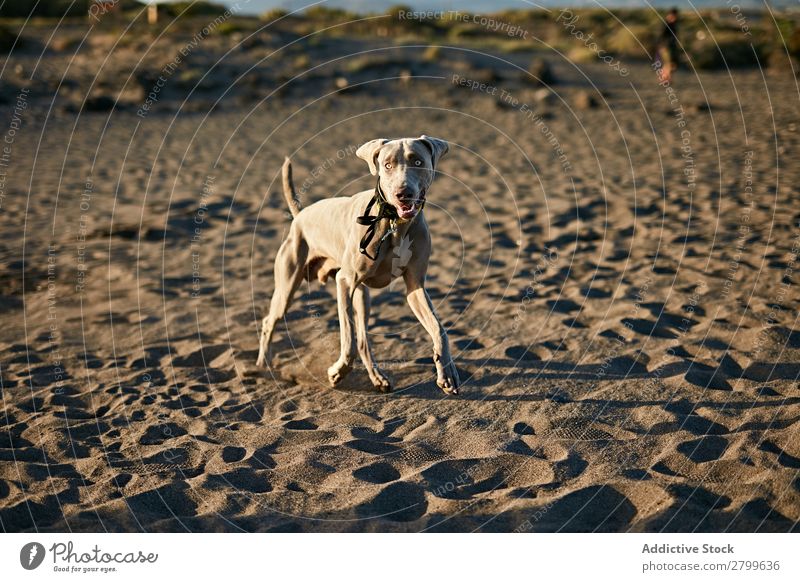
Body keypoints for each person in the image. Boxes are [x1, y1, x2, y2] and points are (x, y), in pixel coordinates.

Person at [655, 8, 680, 83]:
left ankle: (664, 77)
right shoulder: (666, 25)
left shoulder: (673, 24)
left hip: (671, 46)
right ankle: (666, 78)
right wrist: (662, 46)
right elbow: (661, 36)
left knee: (671, 63)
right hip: (665, 46)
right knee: (668, 62)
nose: (674, 17)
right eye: (673, 16)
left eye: (675, 16)